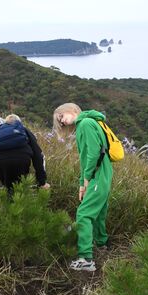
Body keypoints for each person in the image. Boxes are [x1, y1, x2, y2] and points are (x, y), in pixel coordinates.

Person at [52, 103, 113, 272]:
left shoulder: (85, 124)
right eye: (60, 122)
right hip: (103, 175)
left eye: (61, 117)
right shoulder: (89, 122)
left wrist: (87, 180)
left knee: (84, 214)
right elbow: (85, 159)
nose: (62, 122)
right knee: (99, 211)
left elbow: (93, 154)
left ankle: (86, 259)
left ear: (70, 109)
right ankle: (102, 244)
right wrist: (82, 185)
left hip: (97, 174)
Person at [0, 114, 50, 193]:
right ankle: (20, 201)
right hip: (22, 159)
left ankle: (9, 199)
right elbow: (38, 156)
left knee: (8, 188)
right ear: (19, 123)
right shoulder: (24, 130)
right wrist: (42, 181)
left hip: (1, 160)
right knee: (20, 187)